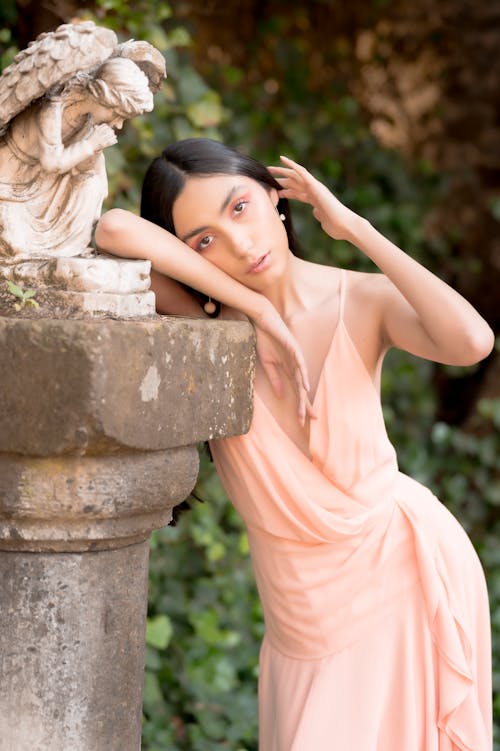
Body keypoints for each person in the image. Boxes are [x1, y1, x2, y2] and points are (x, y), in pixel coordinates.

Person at [95, 138, 494, 750]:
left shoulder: (356, 299)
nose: (240, 243)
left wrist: (354, 228)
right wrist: (257, 308)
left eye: (240, 208)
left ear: (276, 200)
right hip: (300, 627)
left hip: (400, 579)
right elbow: (115, 229)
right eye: (204, 240)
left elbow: (471, 342)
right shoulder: (208, 329)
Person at [0, 57, 154, 258]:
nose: (118, 124)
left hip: (45, 182)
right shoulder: (53, 108)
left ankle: (71, 249)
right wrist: (90, 145)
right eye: (118, 114)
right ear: (101, 95)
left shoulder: (87, 117)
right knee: (14, 241)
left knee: (91, 181)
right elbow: (52, 162)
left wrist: (94, 158)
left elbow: (82, 167)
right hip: (10, 179)